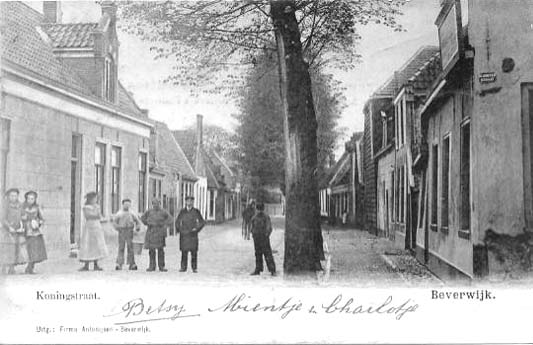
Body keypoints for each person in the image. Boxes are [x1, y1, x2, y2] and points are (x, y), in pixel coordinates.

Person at [79, 192, 108, 271]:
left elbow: (99, 216)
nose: (95, 200)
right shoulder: (86, 207)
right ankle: (86, 265)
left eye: (96, 199)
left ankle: (96, 264)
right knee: (87, 245)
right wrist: (96, 214)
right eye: (94, 198)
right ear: (90, 199)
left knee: (96, 245)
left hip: (96, 227)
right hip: (89, 227)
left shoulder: (97, 207)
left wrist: (96, 214)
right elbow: (88, 216)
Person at [175, 195, 205, 273]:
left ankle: (194, 268)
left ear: (193, 202)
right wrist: (180, 230)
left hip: (193, 234)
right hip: (184, 234)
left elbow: (202, 222)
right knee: (184, 252)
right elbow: (177, 222)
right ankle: (183, 267)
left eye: (191, 201)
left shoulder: (196, 211)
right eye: (188, 201)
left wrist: (197, 229)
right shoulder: (182, 211)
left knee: (194, 251)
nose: (189, 203)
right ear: (185, 202)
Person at [141, 198, 171, 272]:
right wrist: (147, 223)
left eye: (157, 203)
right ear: (152, 204)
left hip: (160, 232)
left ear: (160, 204)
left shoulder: (164, 212)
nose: (156, 205)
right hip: (151, 232)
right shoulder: (149, 212)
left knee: (160, 250)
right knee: (151, 250)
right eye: (154, 204)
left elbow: (170, 219)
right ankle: (152, 266)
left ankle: (161, 266)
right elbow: (142, 218)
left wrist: (164, 225)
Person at [1, 188, 26, 274]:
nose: (13, 197)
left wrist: (22, 225)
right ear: (8, 196)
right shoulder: (5, 206)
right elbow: (3, 218)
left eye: (15, 195)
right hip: (7, 231)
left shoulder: (20, 205)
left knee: (15, 249)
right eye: (12, 195)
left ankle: (12, 268)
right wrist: (9, 227)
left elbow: (23, 216)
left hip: (17, 231)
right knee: (7, 249)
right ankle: (3, 267)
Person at [21, 191, 47, 274]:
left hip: (35, 232)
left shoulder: (37, 208)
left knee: (35, 251)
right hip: (25, 230)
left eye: (32, 198)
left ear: (35, 199)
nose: (30, 200)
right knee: (26, 250)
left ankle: (30, 267)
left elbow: (42, 219)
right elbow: (19, 217)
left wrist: (38, 223)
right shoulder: (22, 207)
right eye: (28, 198)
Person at [112, 199, 141, 271]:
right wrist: (117, 228)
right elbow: (114, 222)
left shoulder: (132, 213)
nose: (127, 206)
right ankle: (119, 264)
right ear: (123, 204)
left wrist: (137, 228)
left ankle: (132, 264)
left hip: (129, 231)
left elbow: (137, 221)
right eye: (125, 204)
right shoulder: (119, 213)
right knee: (121, 247)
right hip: (122, 231)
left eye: (128, 204)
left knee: (130, 247)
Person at [250, 202, 276, 276]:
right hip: (257, 238)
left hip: (264, 238)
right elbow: (252, 227)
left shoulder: (266, 217)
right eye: (258, 209)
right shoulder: (254, 217)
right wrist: (253, 234)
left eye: (259, 209)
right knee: (258, 254)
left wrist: (266, 235)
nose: (259, 211)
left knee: (267, 254)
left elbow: (269, 227)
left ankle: (272, 270)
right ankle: (258, 269)